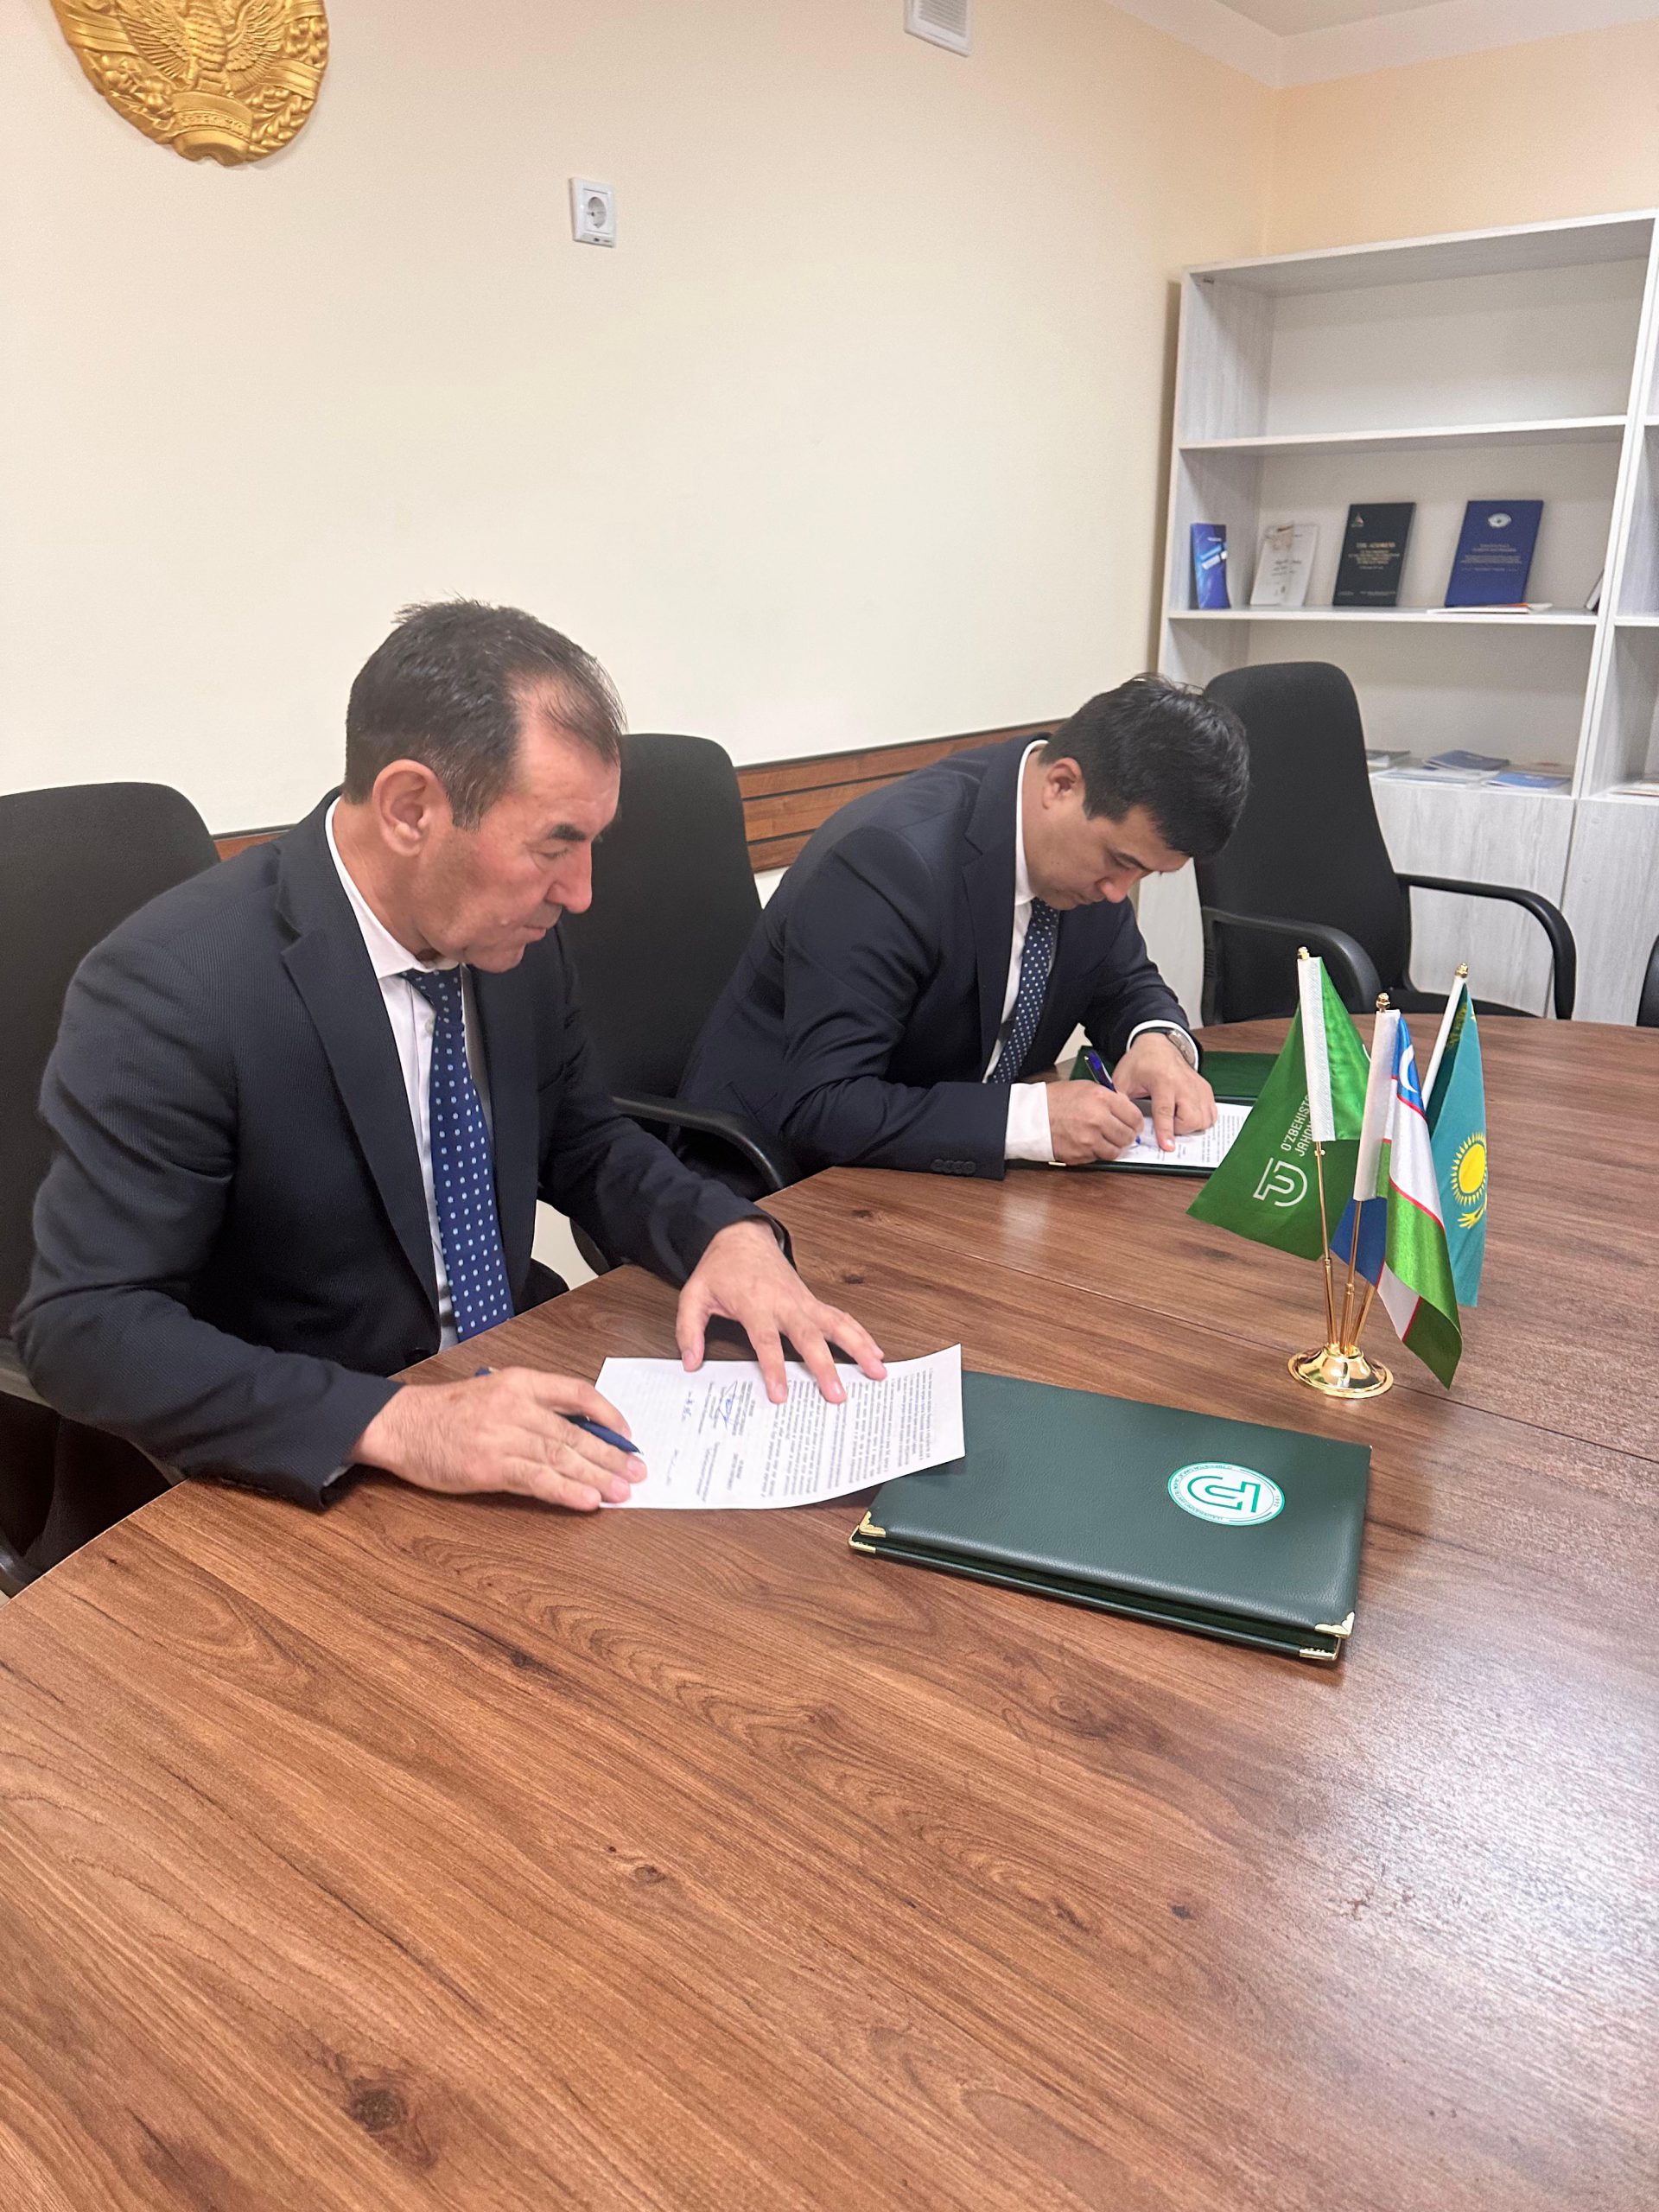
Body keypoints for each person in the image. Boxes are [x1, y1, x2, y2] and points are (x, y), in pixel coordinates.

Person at [15, 601, 885, 1539]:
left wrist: (724, 1234)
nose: (581, 893)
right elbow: (83, 1328)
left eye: (591, 844)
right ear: (410, 809)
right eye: (554, 844)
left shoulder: (508, 938)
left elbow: (584, 1142)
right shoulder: (175, 988)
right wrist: (402, 1422)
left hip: (504, 1390)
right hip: (292, 1473)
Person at [678, 675, 1249, 1181]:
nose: (1119, 892)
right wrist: (1033, 1120)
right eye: (1121, 862)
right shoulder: (888, 863)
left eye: (1144, 873)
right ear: (1061, 785)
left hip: (940, 1163)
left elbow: (1123, 982)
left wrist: (1156, 1041)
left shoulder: (1084, 857)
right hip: (775, 1177)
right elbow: (824, 1107)